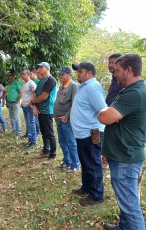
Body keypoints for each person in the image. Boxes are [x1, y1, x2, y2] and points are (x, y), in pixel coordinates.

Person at [98, 54, 146, 230]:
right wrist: (109, 114)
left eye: (118, 70)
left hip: (126, 158)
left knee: (130, 205)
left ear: (128, 70)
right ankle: (125, 227)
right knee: (125, 199)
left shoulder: (134, 93)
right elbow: (111, 115)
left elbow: (105, 117)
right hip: (122, 154)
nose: (115, 73)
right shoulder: (129, 90)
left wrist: (102, 113)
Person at [70, 62, 107, 206]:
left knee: (92, 163)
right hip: (82, 133)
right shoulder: (85, 86)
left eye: (81, 71)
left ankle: (96, 195)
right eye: (77, 71)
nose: (77, 74)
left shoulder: (92, 88)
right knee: (86, 163)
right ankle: (86, 187)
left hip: (91, 133)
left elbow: (103, 110)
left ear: (90, 73)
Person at [53, 66, 80, 174]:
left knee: (71, 143)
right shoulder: (62, 86)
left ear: (69, 74)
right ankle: (67, 161)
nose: (61, 76)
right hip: (59, 120)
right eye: (60, 75)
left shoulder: (73, 86)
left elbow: (75, 104)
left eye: (63, 74)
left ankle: (75, 164)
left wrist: (67, 116)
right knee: (63, 142)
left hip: (66, 120)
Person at [32, 62, 57, 165]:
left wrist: (33, 102)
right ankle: (46, 151)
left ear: (47, 68)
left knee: (50, 133)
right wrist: (34, 106)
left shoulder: (51, 80)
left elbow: (43, 97)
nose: (39, 69)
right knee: (43, 132)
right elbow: (35, 93)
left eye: (41, 67)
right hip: (40, 110)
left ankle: (53, 154)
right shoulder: (41, 80)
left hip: (47, 110)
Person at [103, 53, 123, 170]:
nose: (110, 65)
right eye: (109, 62)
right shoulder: (114, 79)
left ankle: (114, 165)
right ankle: (107, 162)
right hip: (111, 116)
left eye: (113, 63)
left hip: (117, 116)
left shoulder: (122, 80)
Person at [20, 69, 37, 148]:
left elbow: (35, 94)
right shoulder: (24, 84)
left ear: (28, 74)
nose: (22, 75)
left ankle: (33, 141)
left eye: (23, 74)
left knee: (31, 124)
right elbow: (25, 95)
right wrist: (22, 103)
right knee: (28, 124)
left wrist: (31, 103)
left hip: (30, 107)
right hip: (24, 106)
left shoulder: (31, 83)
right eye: (22, 74)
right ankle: (30, 139)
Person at [6, 71, 22, 137]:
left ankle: (18, 132)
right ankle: (14, 131)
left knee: (16, 117)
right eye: (8, 75)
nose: (8, 76)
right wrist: (7, 102)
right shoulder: (8, 84)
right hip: (9, 103)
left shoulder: (16, 84)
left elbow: (21, 93)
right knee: (12, 118)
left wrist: (17, 101)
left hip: (15, 103)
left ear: (13, 76)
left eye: (10, 75)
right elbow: (8, 94)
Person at [29, 67, 40, 137]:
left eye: (31, 74)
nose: (30, 76)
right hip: (32, 103)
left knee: (36, 120)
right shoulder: (31, 82)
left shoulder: (37, 82)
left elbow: (36, 94)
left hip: (36, 103)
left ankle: (37, 132)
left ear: (35, 74)